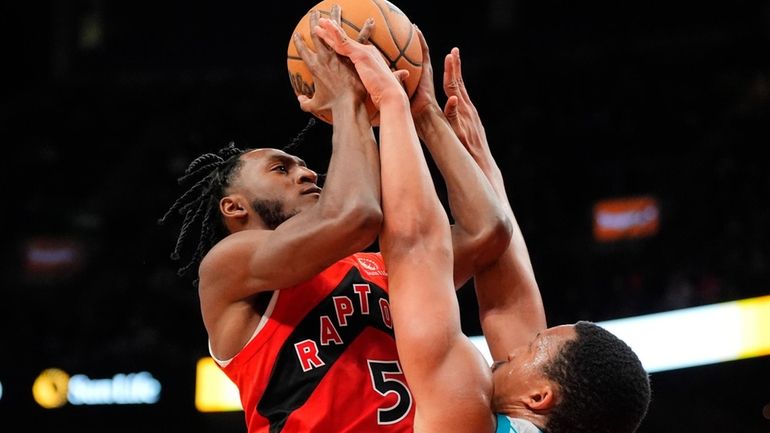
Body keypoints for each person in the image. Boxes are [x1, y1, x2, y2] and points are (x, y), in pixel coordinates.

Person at [159, 5, 508, 433]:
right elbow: (356, 214)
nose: (307, 172)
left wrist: (425, 114)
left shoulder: (382, 266)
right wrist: (350, 97)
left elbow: (488, 231)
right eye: (280, 169)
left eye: (303, 164)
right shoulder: (229, 266)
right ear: (234, 207)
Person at [312, 16, 651, 433]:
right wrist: (440, 126)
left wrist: (392, 102)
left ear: (539, 398)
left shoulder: (466, 417)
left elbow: (415, 247)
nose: (515, 350)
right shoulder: (534, 417)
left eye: (532, 348)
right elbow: (507, 295)